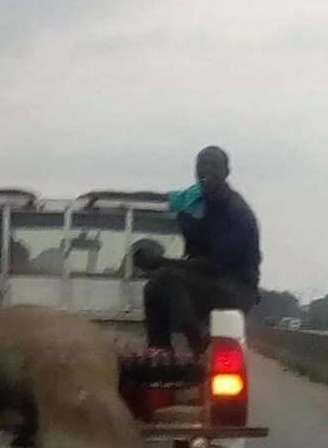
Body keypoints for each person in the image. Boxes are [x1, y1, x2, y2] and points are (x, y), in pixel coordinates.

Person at [80, 146, 261, 358]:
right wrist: (105, 195)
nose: (206, 170)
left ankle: (197, 342)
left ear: (227, 172)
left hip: (234, 289)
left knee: (167, 278)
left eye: (213, 165)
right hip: (208, 283)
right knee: (153, 287)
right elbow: (158, 198)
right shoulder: (194, 198)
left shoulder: (237, 212)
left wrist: (159, 262)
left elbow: (214, 265)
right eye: (201, 165)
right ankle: (160, 352)